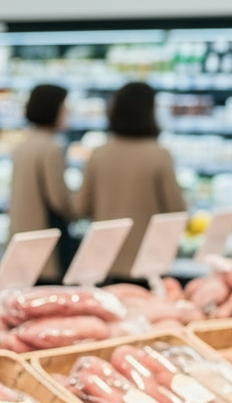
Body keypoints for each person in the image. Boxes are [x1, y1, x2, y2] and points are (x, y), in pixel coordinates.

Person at [75, 80, 186, 280]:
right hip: (147, 260)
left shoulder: (98, 154)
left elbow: (82, 206)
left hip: (103, 258)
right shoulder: (159, 155)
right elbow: (176, 209)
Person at [7, 83, 74, 281]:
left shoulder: (23, 145)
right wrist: (78, 210)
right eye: (64, 106)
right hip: (45, 244)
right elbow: (58, 200)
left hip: (22, 243)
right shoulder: (50, 148)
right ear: (53, 109)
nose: (67, 111)